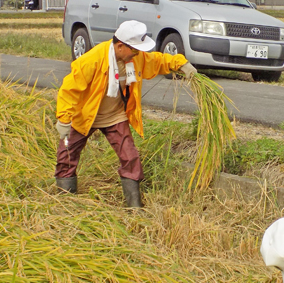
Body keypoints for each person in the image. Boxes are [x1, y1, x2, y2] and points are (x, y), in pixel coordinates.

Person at [55, 20, 197, 208]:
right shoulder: (92, 60)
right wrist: (64, 119)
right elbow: (70, 89)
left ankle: (134, 208)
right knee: (67, 154)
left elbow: (158, 60)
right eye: (135, 50)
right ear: (120, 46)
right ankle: (65, 201)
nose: (138, 54)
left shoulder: (134, 58)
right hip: (85, 116)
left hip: (114, 117)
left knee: (130, 157)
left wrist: (181, 65)